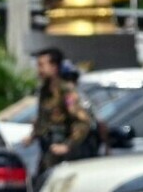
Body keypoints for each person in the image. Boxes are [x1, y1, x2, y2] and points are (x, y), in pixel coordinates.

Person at [22, 47, 92, 182]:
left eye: (42, 65)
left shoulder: (66, 91)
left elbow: (82, 121)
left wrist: (67, 145)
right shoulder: (44, 91)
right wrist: (33, 136)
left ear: (54, 67)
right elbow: (44, 119)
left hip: (63, 154)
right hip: (47, 150)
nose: (39, 70)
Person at [59, 59, 108, 157]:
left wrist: (107, 146)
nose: (70, 83)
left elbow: (99, 123)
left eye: (72, 79)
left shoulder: (82, 98)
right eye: (66, 79)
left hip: (82, 146)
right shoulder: (54, 99)